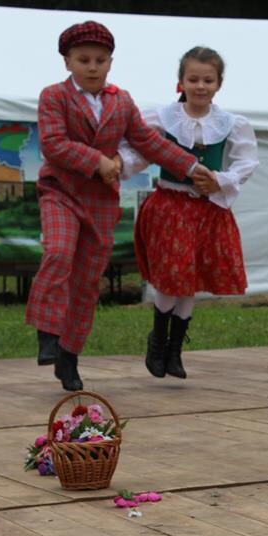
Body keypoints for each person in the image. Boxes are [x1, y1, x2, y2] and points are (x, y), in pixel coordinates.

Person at [25, 21, 210, 391]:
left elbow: (149, 142)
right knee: (58, 252)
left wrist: (191, 167)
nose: (92, 67)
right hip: (61, 192)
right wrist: (98, 161)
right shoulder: (54, 96)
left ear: (110, 62)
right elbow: (53, 144)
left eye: (100, 60)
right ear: (67, 62)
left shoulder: (121, 101)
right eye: (83, 60)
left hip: (100, 202)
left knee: (86, 282)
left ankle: (69, 356)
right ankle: (47, 333)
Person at [120, 46, 258, 380]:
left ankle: (174, 350)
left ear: (219, 83)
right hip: (171, 206)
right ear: (180, 82)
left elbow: (247, 162)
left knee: (190, 278)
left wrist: (220, 180)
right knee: (173, 274)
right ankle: (157, 342)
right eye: (193, 79)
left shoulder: (230, 123)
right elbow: (138, 148)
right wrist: (119, 165)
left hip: (206, 210)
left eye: (208, 80)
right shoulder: (162, 118)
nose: (200, 86)